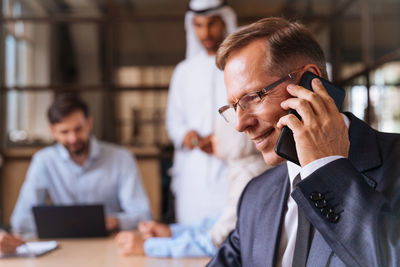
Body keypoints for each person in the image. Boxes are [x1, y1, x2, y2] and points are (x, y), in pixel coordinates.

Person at [208, 17, 400, 267]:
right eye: (234, 107)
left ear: (309, 83)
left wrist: (324, 168)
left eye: (253, 97)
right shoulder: (257, 195)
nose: (240, 124)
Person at [115, 115, 268, 257]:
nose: (212, 139)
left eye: (217, 133)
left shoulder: (247, 175)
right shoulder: (244, 169)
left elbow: (217, 242)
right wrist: (171, 232)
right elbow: (218, 223)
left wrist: (148, 247)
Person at [11, 94, 152, 234]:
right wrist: (60, 223)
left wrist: (114, 221)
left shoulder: (121, 158)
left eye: (78, 129)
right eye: (64, 132)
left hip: (112, 244)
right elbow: (19, 220)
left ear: (89, 123)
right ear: (52, 131)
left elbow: (144, 215)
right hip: (62, 247)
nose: (73, 138)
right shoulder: (43, 161)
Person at [165, 0, 237, 224]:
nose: (205, 32)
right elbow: (174, 121)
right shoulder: (183, 72)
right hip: (192, 174)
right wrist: (186, 135)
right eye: (198, 25)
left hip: (231, 168)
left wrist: (220, 139)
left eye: (212, 23)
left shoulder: (238, 66)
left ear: (225, 21)